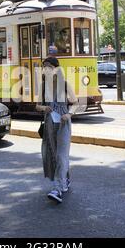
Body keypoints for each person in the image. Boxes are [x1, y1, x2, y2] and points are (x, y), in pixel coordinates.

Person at [36, 56, 78, 204]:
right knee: (54, 155)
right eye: (44, 67)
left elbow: (75, 103)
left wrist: (69, 114)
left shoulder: (65, 84)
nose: (45, 69)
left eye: (48, 66)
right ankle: (65, 179)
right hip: (49, 124)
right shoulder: (43, 86)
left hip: (63, 124)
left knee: (61, 156)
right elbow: (37, 105)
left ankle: (57, 189)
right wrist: (44, 108)